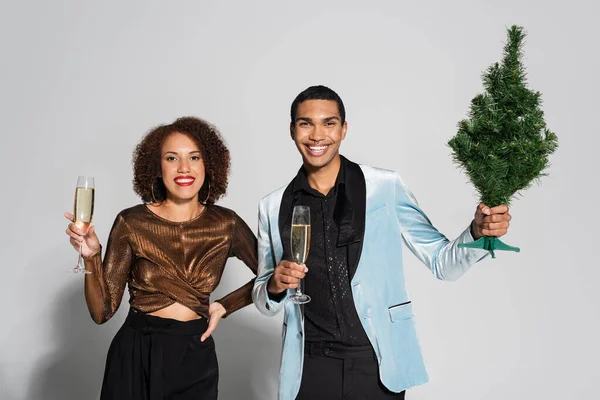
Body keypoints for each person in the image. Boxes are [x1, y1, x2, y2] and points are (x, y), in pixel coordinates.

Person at [252, 86, 512, 400]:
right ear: (293, 130)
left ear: (344, 129)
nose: (317, 135)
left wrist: (477, 233)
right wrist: (274, 286)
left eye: (329, 123)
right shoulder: (273, 205)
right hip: (310, 366)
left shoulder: (384, 188)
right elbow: (262, 293)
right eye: (306, 123)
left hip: (377, 364)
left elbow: (444, 263)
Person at [65, 116, 258, 400]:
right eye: (171, 158)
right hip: (135, 351)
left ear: (209, 165)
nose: (184, 168)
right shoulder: (131, 222)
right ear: (157, 168)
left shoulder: (226, 224)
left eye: (194, 157)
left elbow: (275, 275)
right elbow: (101, 313)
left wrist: (225, 306)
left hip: (193, 354)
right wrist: (92, 257)